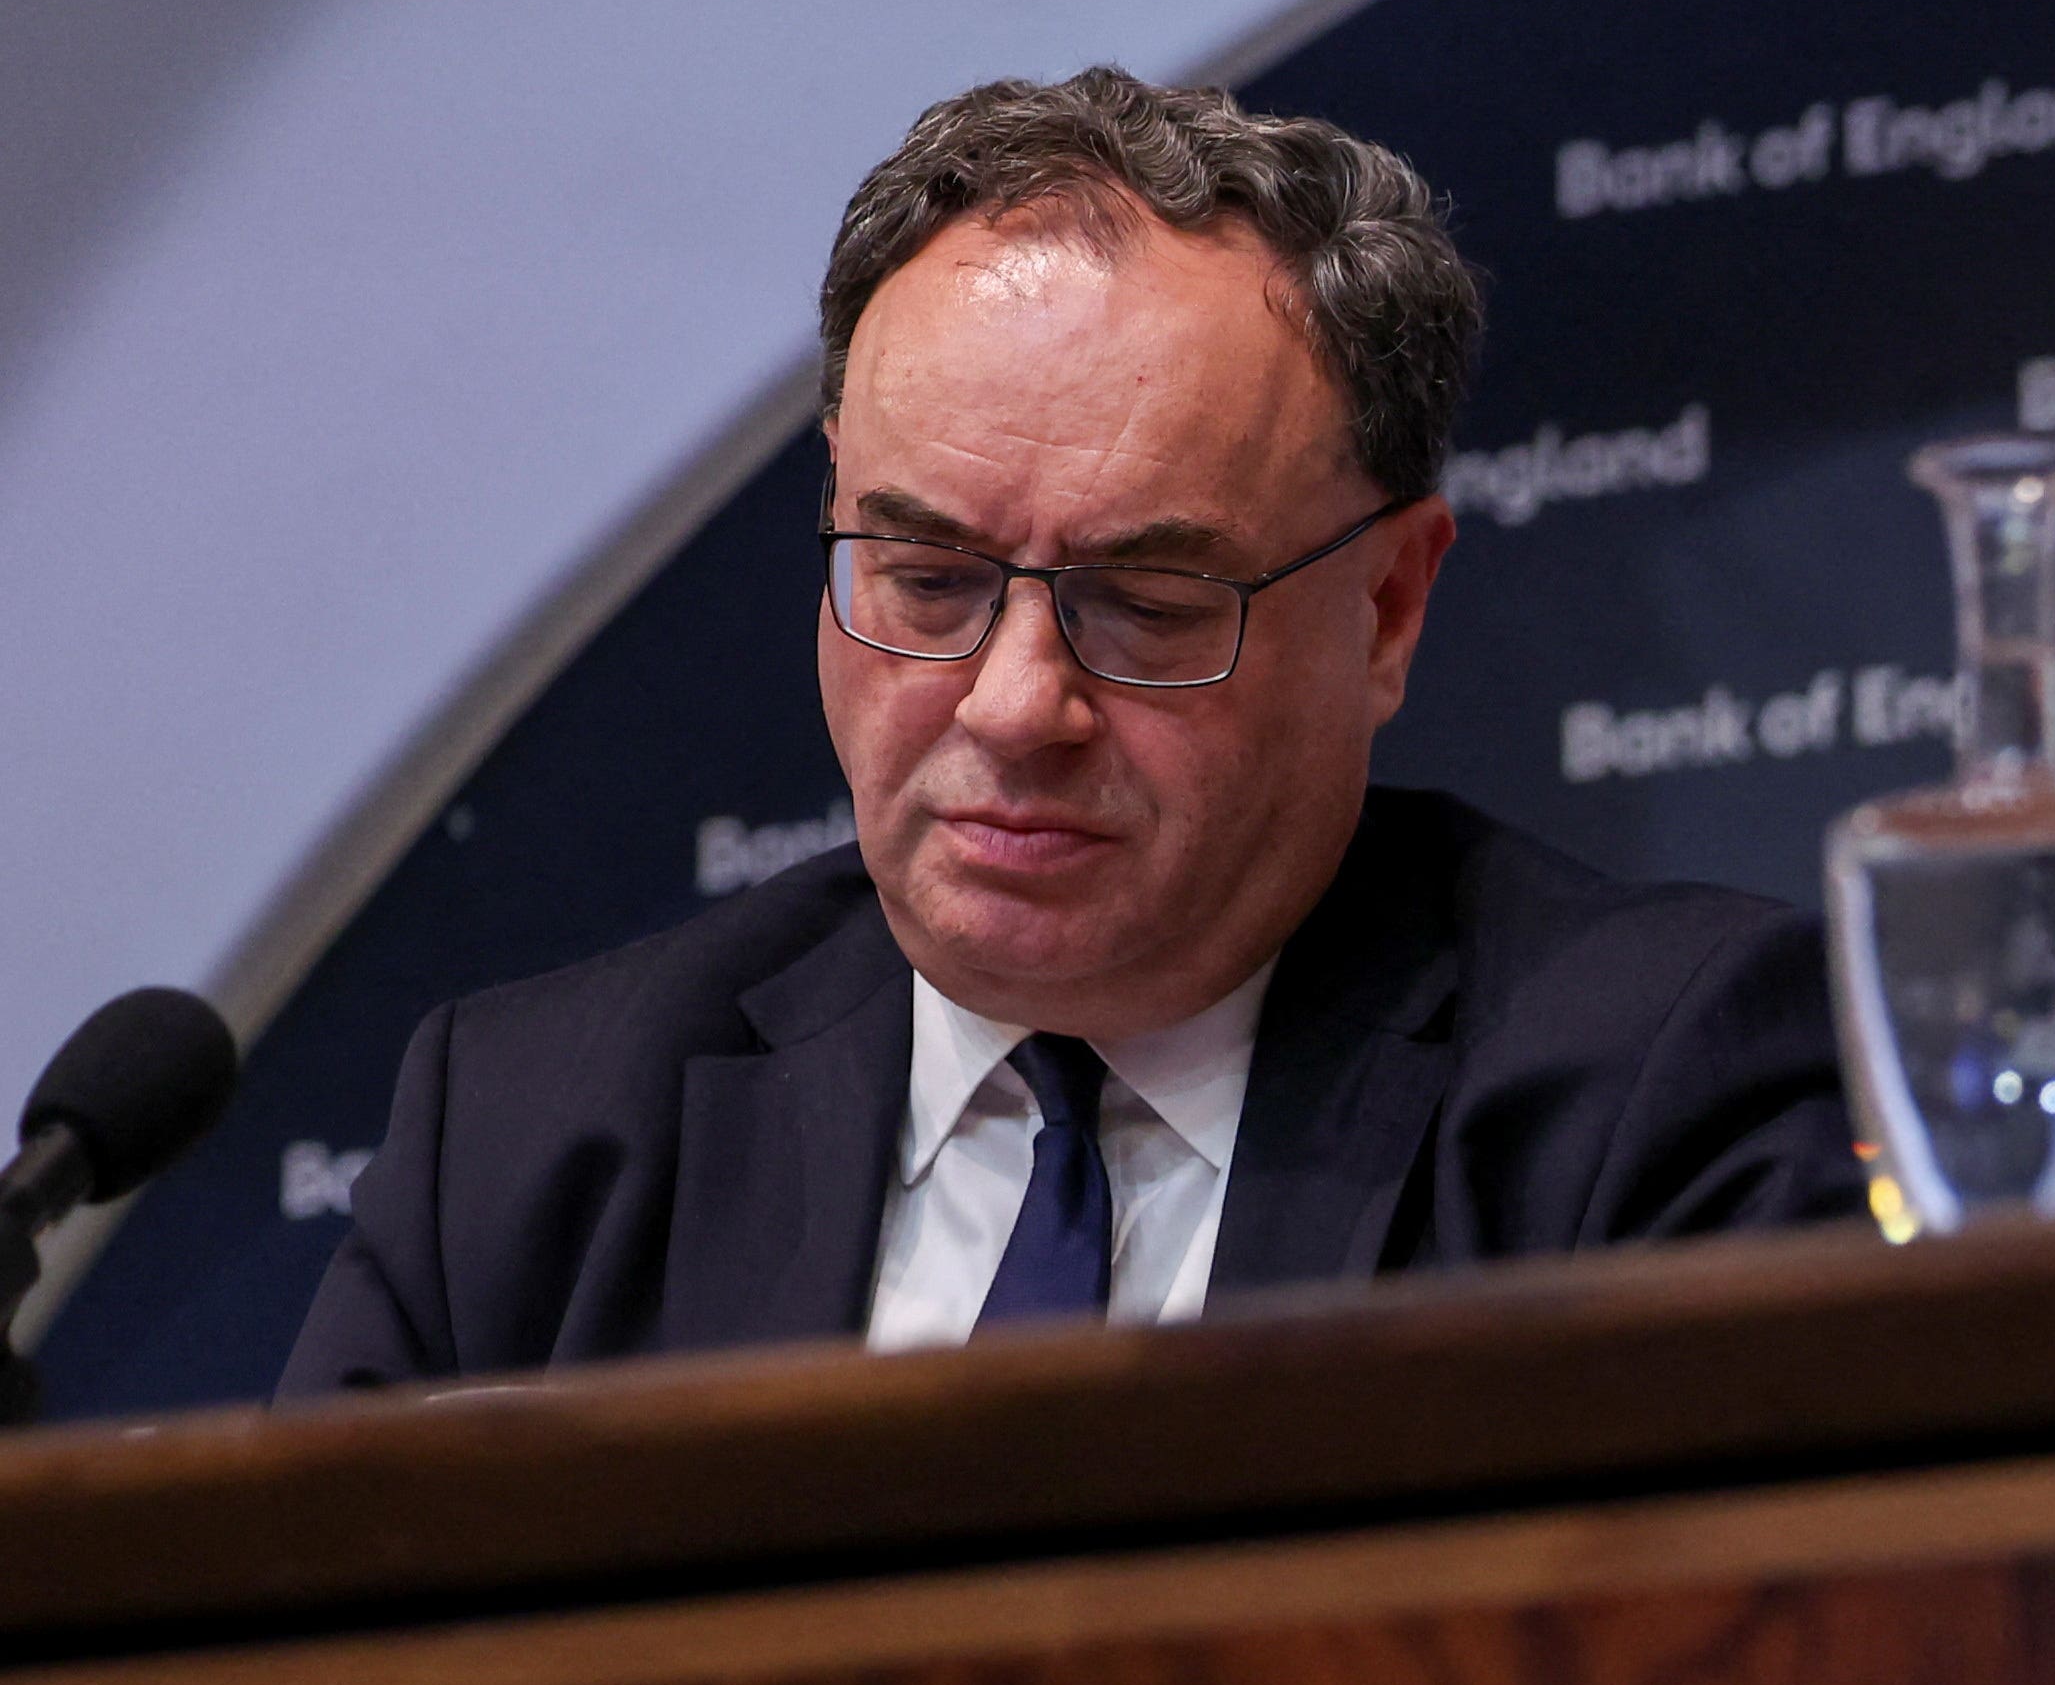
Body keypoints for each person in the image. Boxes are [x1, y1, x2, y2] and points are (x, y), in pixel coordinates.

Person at [282, 70, 1854, 1392]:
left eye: (1149, 605)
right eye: (926, 580)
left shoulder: (1651, 1109)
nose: (1016, 702)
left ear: (1386, 608)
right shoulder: (534, 1133)